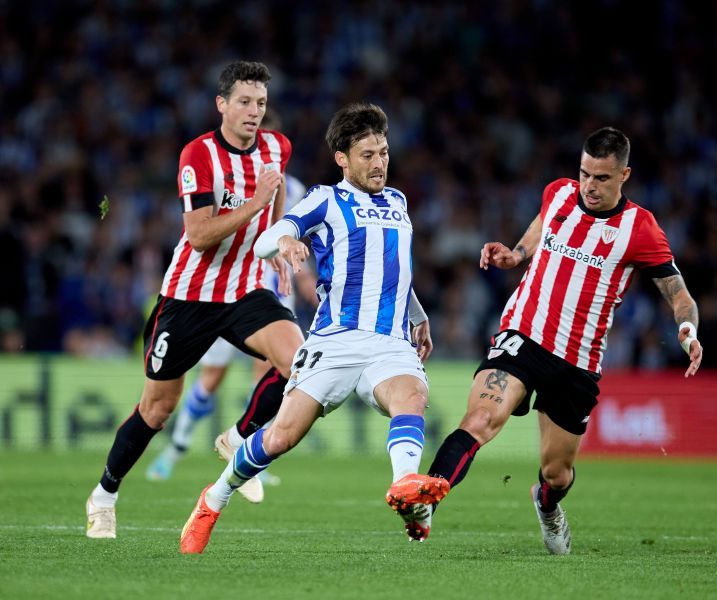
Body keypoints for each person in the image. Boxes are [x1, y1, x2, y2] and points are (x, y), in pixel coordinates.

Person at [179, 103, 449, 554]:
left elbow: (394, 270)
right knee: (281, 436)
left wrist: (417, 315)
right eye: (367, 154)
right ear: (342, 158)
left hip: (390, 340)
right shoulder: (325, 199)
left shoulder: (399, 202)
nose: (379, 162)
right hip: (335, 340)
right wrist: (285, 239)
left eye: (383, 151)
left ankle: (407, 491)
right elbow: (269, 238)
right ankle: (213, 498)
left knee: (412, 398)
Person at [423, 127, 704, 555]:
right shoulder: (559, 192)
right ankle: (426, 500)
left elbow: (677, 292)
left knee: (556, 473)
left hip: (578, 361)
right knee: (480, 419)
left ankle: (548, 506)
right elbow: (540, 227)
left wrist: (688, 329)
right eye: (585, 173)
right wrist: (516, 254)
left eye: (602, 178)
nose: (589, 186)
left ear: (624, 175)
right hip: (524, 334)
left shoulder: (640, 229)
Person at [85, 61, 305, 539]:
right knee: (158, 409)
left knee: (301, 361)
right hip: (189, 296)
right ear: (221, 104)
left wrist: (277, 244)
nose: (254, 112)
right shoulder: (198, 155)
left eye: (261, 103)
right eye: (244, 102)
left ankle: (239, 438)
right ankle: (104, 494)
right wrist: (255, 203)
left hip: (246, 290)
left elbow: (278, 188)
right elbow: (199, 235)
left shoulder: (276, 146)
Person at [144, 171, 317, 504]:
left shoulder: (293, 188)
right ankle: (175, 451)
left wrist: (304, 277)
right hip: (224, 293)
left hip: (270, 298)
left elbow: (289, 235)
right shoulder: (227, 176)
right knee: (210, 378)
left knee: (272, 373)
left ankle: (251, 451)